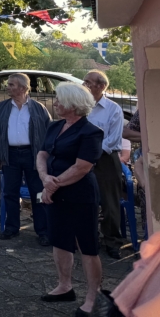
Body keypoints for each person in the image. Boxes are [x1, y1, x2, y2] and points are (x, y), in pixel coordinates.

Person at [37, 82, 103, 315]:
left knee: (87, 246)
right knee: (60, 240)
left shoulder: (91, 132)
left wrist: (51, 186)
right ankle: (65, 286)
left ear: (73, 104)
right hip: (55, 191)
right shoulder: (55, 126)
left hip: (80, 195)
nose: (55, 103)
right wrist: (45, 178)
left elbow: (81, 167)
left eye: (59, 100)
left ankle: (93, 298)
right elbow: (42, 154)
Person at [0, 72, 51, 244]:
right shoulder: (2, 108)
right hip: (10, 155)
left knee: (38, 193)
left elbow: (48, 133)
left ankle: (43, 231)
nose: (7, 87)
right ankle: (12, 228)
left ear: (22, 88)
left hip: (33, 155)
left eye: (11, 85)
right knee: (10, 192)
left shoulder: (38, 108)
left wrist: (46, 156)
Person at [82, 69, 125, 259]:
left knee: (109, 203)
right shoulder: (81, 106)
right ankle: (88, 239)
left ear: (101, 86)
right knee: (84, 201)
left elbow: (113, 139)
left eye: (88, 82)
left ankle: (112, 242)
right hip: (81, 158)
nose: (84, 85)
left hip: (105, 159)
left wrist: (91, 155)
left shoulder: (113, 109)